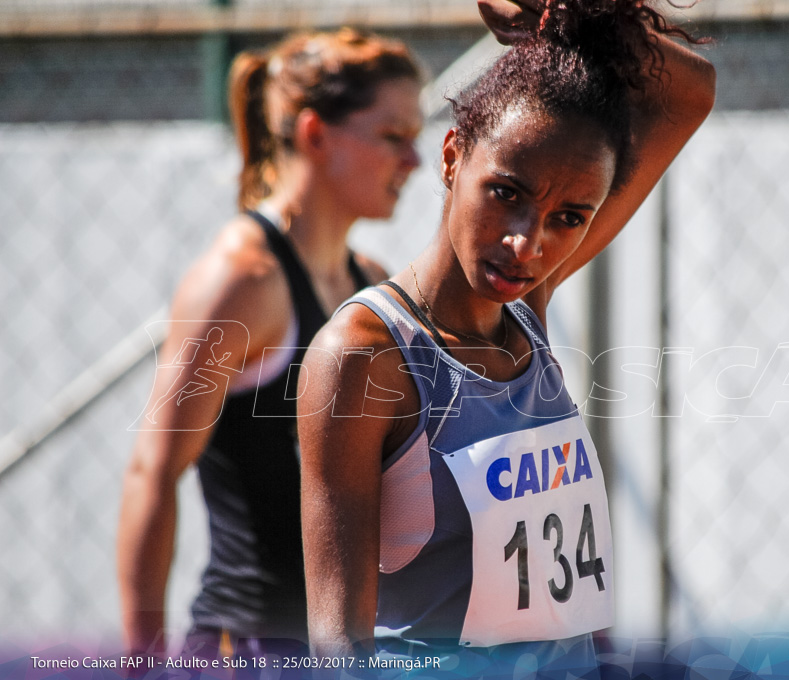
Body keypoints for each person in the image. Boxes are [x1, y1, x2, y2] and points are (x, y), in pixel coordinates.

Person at [297, 0, 715, 672]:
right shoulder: (365, 354)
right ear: (452, 154)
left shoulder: (527, 306)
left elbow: (691, 92)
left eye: (569, 217)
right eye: (506, 192)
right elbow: (338, 644)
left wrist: (572, 12)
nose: (527, 242)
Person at [117, 27, 423, 656]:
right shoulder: (241, 282)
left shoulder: (372, 281)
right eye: (394, 137)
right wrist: (140, 660)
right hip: (249, 648)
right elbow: (153, 470)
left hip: (347, 649)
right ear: (315, 134)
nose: (414, 162)